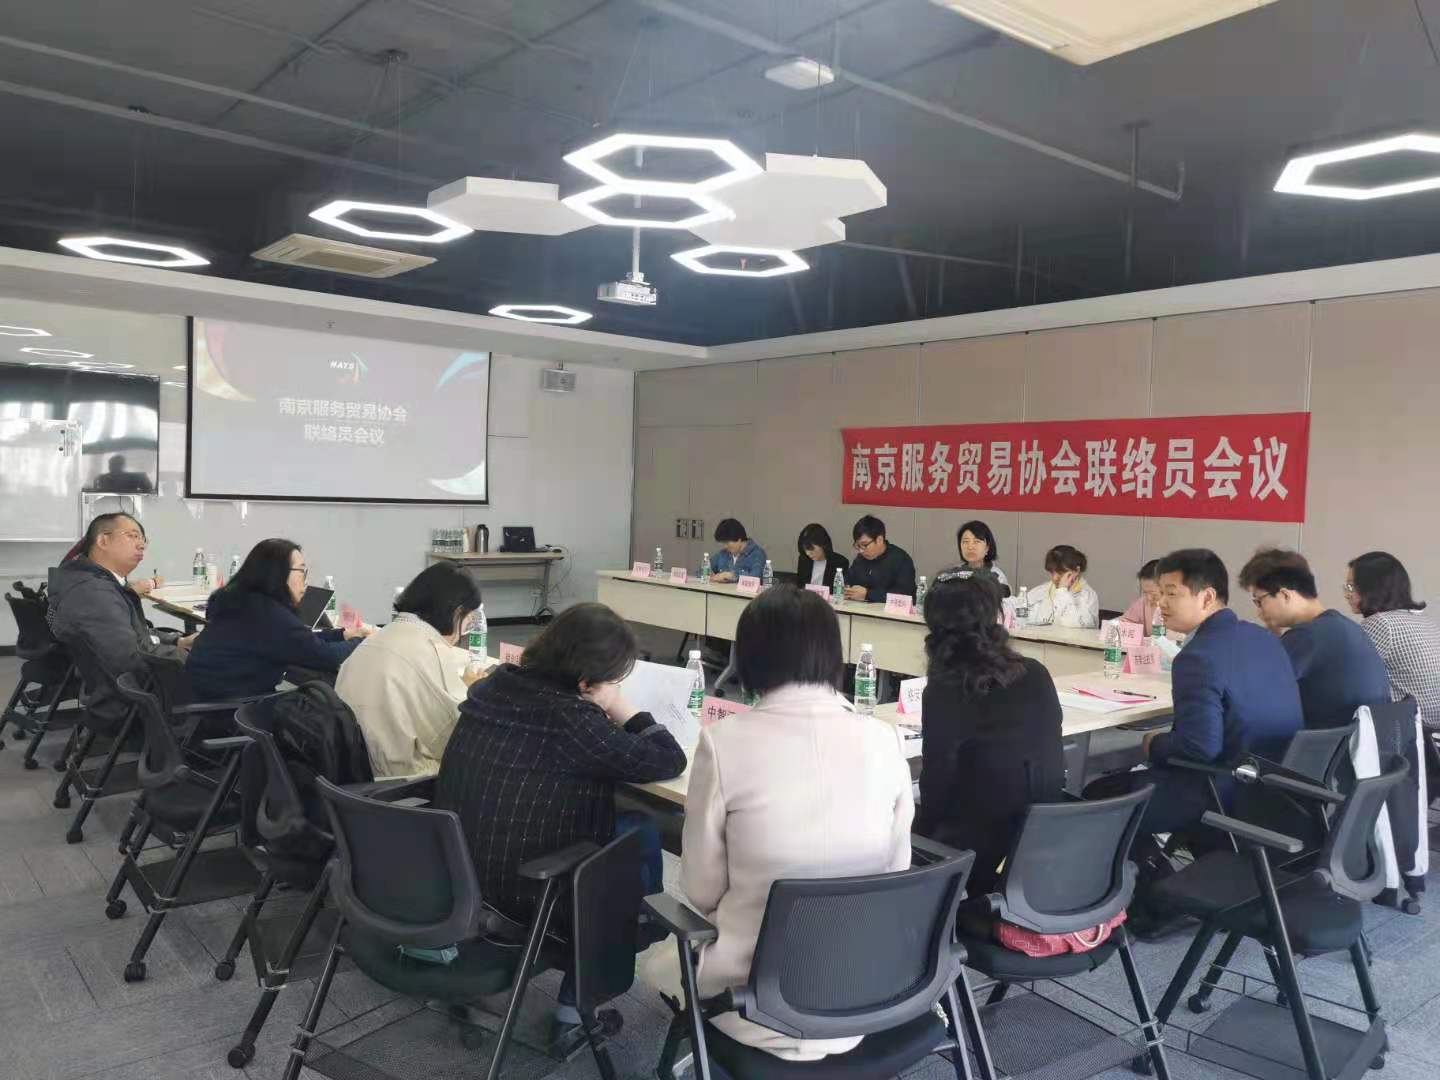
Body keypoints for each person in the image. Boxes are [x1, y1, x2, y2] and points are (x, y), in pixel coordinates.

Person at [682, 586, 913, 1061]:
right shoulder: (884, 738)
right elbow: (897, 867)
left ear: (749, 655)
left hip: (752, 1002)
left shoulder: (723, 743)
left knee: (669, 956)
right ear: (832, 653)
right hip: (865, 992)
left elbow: (701, 890)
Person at [436, 602, 686, 1030]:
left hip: (459, 875)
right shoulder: (573, 720)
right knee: (638, 833)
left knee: (621, 823)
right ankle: (578, 1006)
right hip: (526, 893)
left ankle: (621, 936)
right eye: (613, 679)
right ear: (587, 681)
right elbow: (668, 758)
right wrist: (620, 706)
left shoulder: (495, 686)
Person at [1089, 549, 1302, 838]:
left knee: (1097, 793)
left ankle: (1134, 864)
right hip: (1270, 787)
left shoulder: (1198, 656)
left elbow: (1199, 748)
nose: (1161, 603)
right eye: (1160, 593)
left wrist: (1154, 743)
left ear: (1207, 597)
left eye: (1171, 593)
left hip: (1218, 791)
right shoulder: (1263, 638)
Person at [915, 576, 1064, 896]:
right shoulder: (1035, 672)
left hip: (983, 853)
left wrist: (919, 839)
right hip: (1044, 837)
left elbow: (937, 783)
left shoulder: (947, 688)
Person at [48, 513, 193, 733]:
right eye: (132, 536)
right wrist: (193, 657)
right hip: (130, 702)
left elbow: (131, 634)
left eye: (143, 539)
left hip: (115, 693)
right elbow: (131, 658)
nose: (141, 545)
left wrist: (176, 642)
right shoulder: (95, 594)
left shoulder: (94, 582)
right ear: (103, 540)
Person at [336, 563, 485, 778]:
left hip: (350, 771)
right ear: (457, 613)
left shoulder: (377, 637)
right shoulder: (429, 649)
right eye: (469, 620)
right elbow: (452, 734)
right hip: (398, 780)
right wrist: (471, 691)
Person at [186, 539, 369, 701]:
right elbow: (328, 657)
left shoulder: (240, 601)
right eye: (302, 571)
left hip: (206, 699)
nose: (305, 581)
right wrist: (365, 641)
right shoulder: (269, 615)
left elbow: (302, 641)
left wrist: (342, 635)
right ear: (278, 574)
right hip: (234, 710)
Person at [1239, 549, 1390, 731]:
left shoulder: (1306, 637)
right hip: (1364, 742)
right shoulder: (1342, 627)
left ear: (1285, 595)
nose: (1258, 612)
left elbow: (1250, 692)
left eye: (1259, 601)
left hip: (1327, 745)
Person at [1346, 552, 1440, 729]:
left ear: (1372, 587)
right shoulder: (1425, 620)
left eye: (1352, 586)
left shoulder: (1381, 623)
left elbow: (1347, 676)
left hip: (1411, 732)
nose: (1347, 594)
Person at [844, 515, 917, 603]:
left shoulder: (901, 559)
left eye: (865, 545)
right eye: (858, 546)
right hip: (859, 609)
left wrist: (868, 595)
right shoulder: (860, 559)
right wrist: (847, 589)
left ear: (879, 540)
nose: (861, 551)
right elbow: (848, 581)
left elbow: (904, 595)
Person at [1023, 545, 1100, 628]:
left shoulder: (1088, 596)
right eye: (1052, 572)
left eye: (1060, 572)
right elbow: (1020, 612)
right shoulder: (1043, 590)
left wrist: (1062, 591)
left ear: (1077, 570)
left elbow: (1077, 626)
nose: (1055, 577)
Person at [938, 519, 1010, 596]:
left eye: (976, 542)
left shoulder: (997, 575)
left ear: (987, 548)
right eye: (965, 542)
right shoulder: (954, 573)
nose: (970, 547)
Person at [708, 519, 767, 583]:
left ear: (739, 539)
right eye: (723, 543)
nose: (725, 546)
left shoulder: (757, 554)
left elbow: (755, 578)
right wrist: (710, 574)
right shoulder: (723, 554)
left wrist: (732, 576)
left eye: (727, 543)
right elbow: (704, 568)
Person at [795, 522, 849, 588]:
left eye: (811, 548)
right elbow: (800, 586)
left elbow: (838, 590)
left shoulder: (840, 562)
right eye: (805, 549)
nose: (808, 553)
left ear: (823, 544)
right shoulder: (804, 560)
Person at [1121, 559, 1162, 628]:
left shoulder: (1179, 608)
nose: (1149, 598)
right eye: (1145, 592)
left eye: (1153, 594)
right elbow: (1126, 621)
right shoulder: (1142, 603)